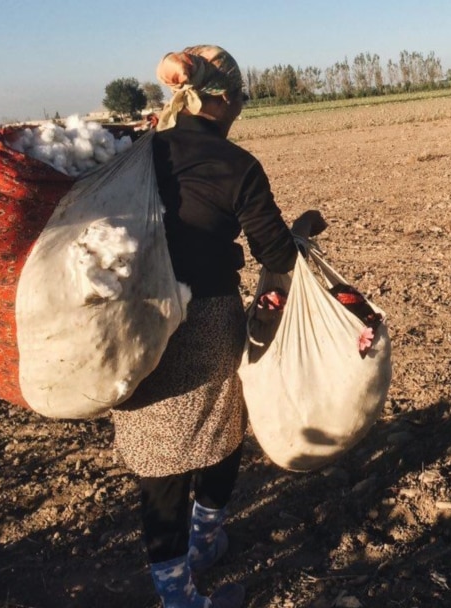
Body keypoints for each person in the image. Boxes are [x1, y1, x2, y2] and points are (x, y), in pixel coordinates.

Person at [110, 45, 326, 608]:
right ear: (225, 98)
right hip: (205, 320)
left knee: (160, 463)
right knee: (221, 435)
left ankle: (182, 575)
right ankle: (193, 573)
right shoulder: (237, 165)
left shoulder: (139, 154)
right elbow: (274, 251)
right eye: (243, 99)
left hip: (133, 321)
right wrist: (300, 233)